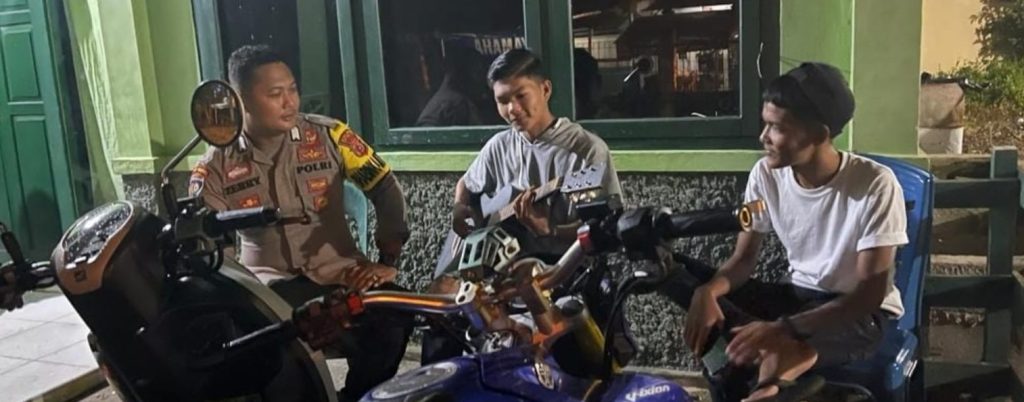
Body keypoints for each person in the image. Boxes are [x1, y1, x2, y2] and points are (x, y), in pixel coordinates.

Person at [665, 62, 908, 402]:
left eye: (776, 127)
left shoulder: (875, 184)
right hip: (796, 298)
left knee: (775, 347)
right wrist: (708, 292)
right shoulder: (766, 175)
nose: (763, 137)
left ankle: (775, 375)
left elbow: (868, 294)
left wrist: (784, 328)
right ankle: (774, 361)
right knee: (673, 271)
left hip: (857, 315)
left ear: (819, 134)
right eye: (765, 123)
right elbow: (743, 259)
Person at [188, 44, 412, 402]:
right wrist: (235, 296)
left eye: (292, 89)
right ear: (241, 102)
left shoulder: (331, 137)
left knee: (395, 315)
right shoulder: (214, 166)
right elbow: (210, 247)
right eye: (275, 94)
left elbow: (384, 186)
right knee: (267, 357)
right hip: (267, 288)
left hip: (342, 275)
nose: (289, 102)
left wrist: (386, 260)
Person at [422, 48, 625, 364]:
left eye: (520, 96)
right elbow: (465, 185)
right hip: (502, 271)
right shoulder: (499, 146)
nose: (512, 109)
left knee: (561, 353)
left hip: (561, 270)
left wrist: (549, 229)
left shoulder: (584, 150)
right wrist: (461, 208)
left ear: (545, 89)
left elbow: (604, 228)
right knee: (442, 317)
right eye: (502, 100)